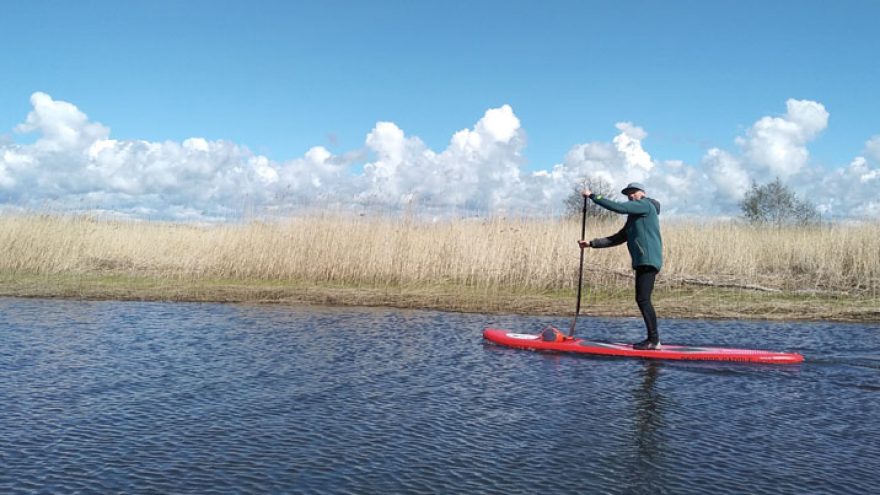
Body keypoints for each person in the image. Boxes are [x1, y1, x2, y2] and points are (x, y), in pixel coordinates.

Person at [578, 182, 663, 350]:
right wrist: (591, 243)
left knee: (643, 299)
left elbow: (618, 207)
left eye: (634, 192)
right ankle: (653, 340)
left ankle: (654, 341)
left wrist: (593, 196)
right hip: (642, 261)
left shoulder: (644, 205)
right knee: (642, 299)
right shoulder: (634, 219)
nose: (631, 196)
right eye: (628, 194)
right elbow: (617, 238)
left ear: (642, 193)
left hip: (648, 259)